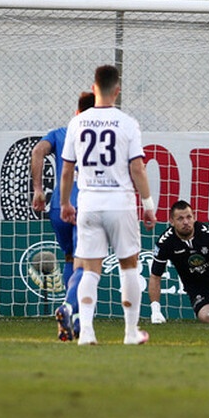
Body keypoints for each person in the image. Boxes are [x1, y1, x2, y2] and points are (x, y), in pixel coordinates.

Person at [59, 64, 156, 345]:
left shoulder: (77, 122)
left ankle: (86, 332)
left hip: (88, 202)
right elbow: (137, 168)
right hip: (120, 202)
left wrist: (66, 203)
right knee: (129, 267)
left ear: (94, 88)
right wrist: (148, 204)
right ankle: (130, 333)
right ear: (118, 90)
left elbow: (67, 171)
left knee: (90, 269)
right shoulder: (127, 123)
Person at [31, 91, 96, 341]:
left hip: (59, 206)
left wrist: (38, 189)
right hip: (85, 205)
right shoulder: (102, 135)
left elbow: (38, 151)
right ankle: (72, 312)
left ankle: (75, 318)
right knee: (87, 264)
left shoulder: (61, 132)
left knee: (70, 258)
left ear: (76, 111)